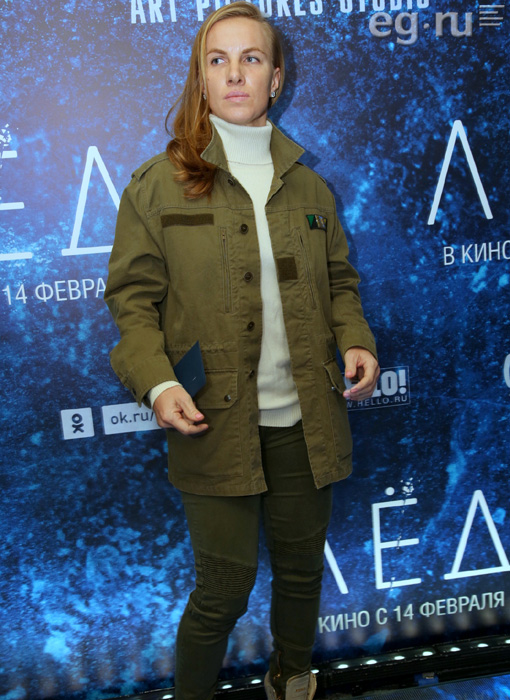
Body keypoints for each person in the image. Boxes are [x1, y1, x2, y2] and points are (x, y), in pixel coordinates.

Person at [105, 3, 379, 699]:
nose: (235, 73)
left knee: (301, 574)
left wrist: (356, 340)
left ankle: (291, 680)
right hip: (215, 424)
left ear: (275, 78)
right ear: (201, 78)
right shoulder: (156, 184)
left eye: (251, 58)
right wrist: (159, 383)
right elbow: (132, 303)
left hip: (307, 422)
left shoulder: (310, 188)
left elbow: (340, 283)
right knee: (222, 592)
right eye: (218, 59)